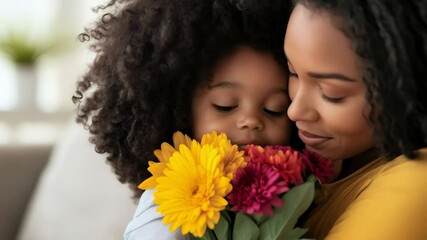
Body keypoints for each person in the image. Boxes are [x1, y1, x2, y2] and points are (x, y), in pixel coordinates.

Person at [73, 0, 295, 239]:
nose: (251, 120)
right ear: (178, 114)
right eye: (226, 105)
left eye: (275, 109)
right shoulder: (166, 210)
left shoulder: (299, 193)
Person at [284, 0, 427, 239]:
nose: (294, 111)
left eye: (332, 93)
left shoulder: (417, 184)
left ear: (405, 87)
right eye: (292, 73)